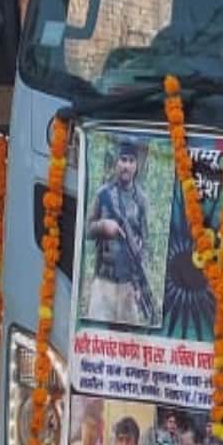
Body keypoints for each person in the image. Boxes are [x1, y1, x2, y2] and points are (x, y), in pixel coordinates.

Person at [85, 139, 154, 325]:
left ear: (137, 165)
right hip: (103, 281)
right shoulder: (103, 194)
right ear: (116, 162)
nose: (127, 166)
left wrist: (140, 285)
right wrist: (103, 226)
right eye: (123, 160)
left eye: (131, 161)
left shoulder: (141, 200)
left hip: (129, 286)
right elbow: (86, 229)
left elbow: (146, 244)